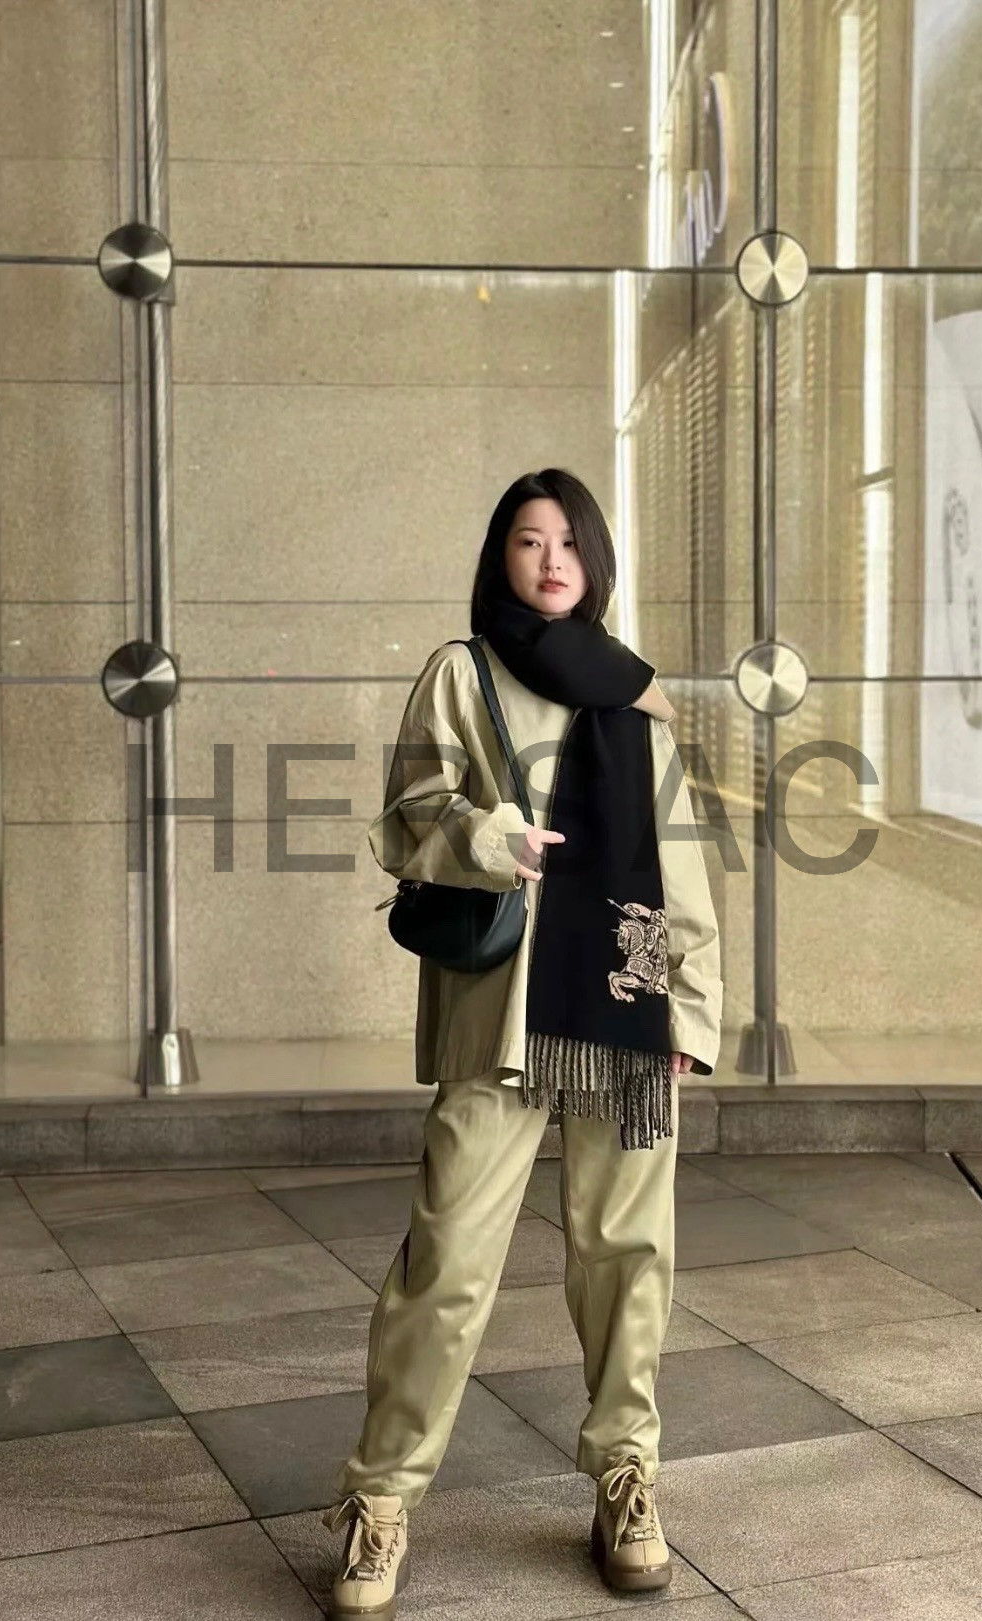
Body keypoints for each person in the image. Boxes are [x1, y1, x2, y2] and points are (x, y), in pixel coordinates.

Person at [321, 468, 724, 1618]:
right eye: (528, 541)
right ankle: (381, 1499)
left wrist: (691, 1009)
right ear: (501, 556)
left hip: (625, 1009)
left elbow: (682, 862)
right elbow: (407, 818)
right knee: (446, 1259)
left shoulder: (635, 693)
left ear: (596, 561)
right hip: (502, 1012)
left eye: (569, 543)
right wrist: (487, 836)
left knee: (629, 1254)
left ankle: (627, 1478)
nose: (551, 561)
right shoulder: (461, 672)